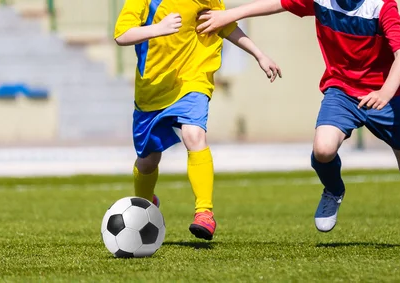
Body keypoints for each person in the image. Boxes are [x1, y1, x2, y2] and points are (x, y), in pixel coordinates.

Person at [196, 0, 400, 248]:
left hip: (383, 94)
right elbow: (277, 4)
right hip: (341, 91)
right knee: (323, 149)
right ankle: (334, 190)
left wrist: (385, 92)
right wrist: (229, 15)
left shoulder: (381, 5)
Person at [114, 0, 281, 241]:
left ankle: (204, 212)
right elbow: (122, 34)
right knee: (148, 161)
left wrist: (259, 54)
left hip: (193, 79)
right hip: (152, 89)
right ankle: (145, 204)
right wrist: (158, 28)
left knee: (194, 135)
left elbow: (224, 24)